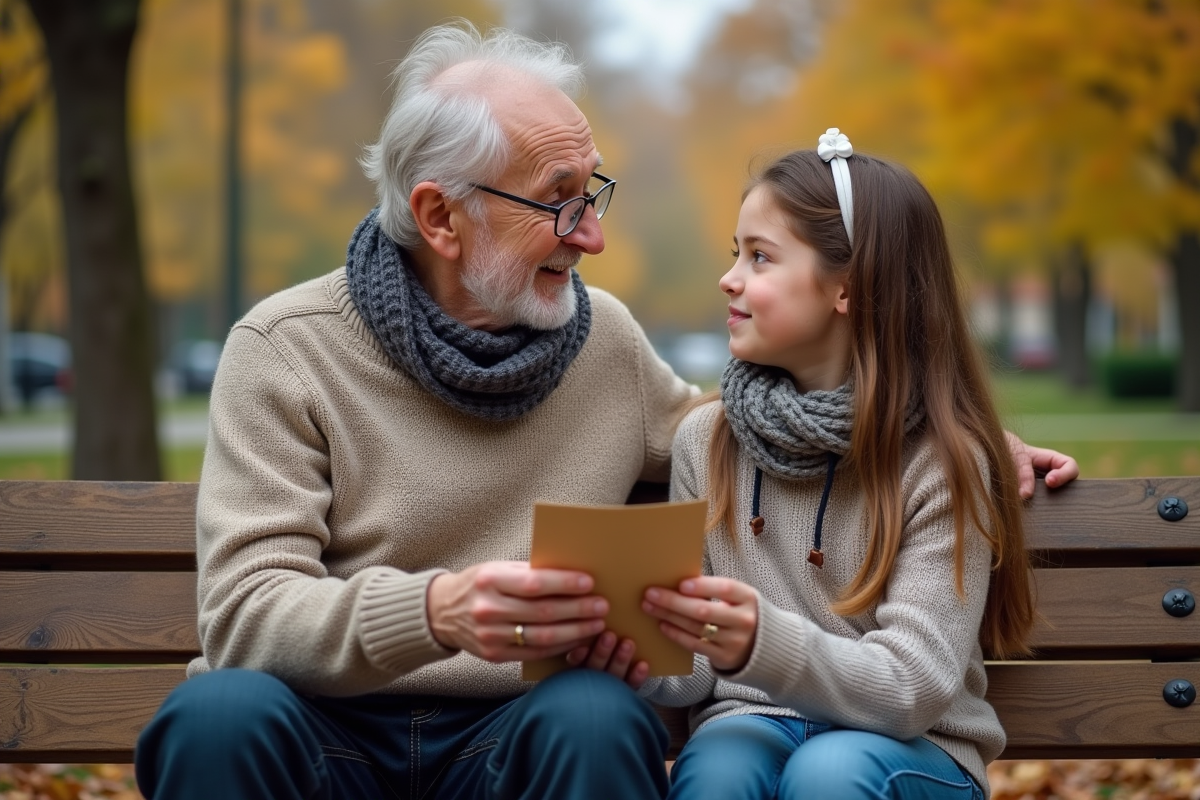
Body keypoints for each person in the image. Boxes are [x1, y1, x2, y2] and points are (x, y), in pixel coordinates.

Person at [133, 19, 1076, 799]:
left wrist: (951, 428)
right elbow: (246, 615)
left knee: (596, 715)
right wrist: (436, 611)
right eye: (560, 202)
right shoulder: (286, 349)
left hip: (510, 740)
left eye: (594, 193)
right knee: (215, 716)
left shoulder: (606, 343)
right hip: (323, 732)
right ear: (439, 217)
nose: (594, 234)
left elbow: (764, 426)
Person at [622, 131, 1045, 799]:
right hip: (753, 721)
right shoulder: (706, 441)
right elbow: (694, 667)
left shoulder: (941, 461)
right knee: (719, 770)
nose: (729, 277)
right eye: (736, 254)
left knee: (830, 774)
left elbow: (912, 689)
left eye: (761, 258)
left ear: (847, 288)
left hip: (915, 749)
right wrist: (632, 649)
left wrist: (763, 640)